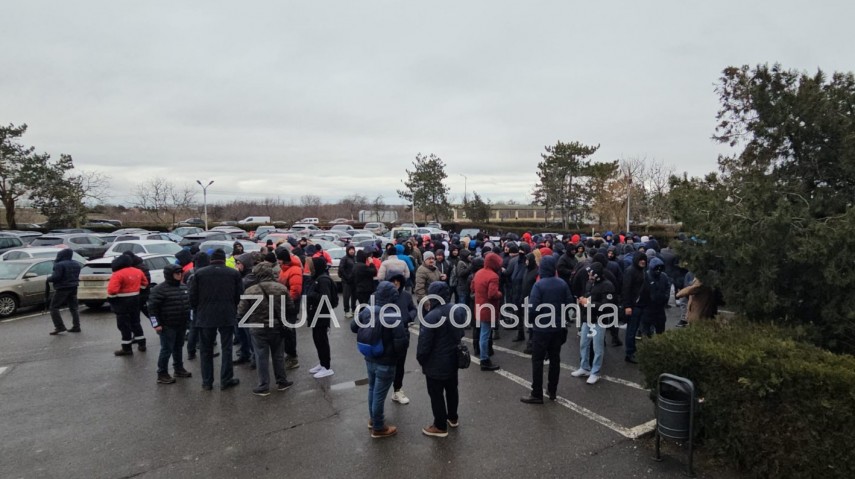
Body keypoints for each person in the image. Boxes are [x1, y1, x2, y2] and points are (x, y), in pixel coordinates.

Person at [351, 281, 409, 439]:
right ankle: (378, 427)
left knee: (372, 389)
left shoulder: (368, 311)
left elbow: (353, 327)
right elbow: (401, 342)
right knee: (379, 394)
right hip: (386, 361)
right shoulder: (392, 315)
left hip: (369, 357)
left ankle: (373, 419)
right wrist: (397, 356)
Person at [189, 249, 244, 391]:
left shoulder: (199, 274)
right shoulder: (233, 273)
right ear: (224, 260)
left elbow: (192, 297)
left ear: (211, 260)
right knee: (227, 348)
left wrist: (199, 309)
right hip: (227, 314)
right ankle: (226, 379)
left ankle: (207, 382)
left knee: (205, 350)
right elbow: (239, 295)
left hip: (205, 316)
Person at [238, 262, 295, 396]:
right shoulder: (281, 288)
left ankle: (263, 386)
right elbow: (291, 307)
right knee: (278, 355)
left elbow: (241, 311)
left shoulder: (250, 290)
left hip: (257, 328)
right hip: (277, 326)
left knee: (261, 356)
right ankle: (282, 381)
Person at [417, 281, 466, 437]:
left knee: (436, 394)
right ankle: (453, 417)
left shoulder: (431, 316)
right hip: (453, 359)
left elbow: (424, 344)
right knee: (452, 389)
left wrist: (422, 360)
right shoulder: (457, 310)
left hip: (435, 362)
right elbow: (461, 333)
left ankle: (440, 425)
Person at [521, 256, 571, 403]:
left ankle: (537, 393)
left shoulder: (539, 285)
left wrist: (530, 321)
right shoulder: (562, 283)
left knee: (537, 361)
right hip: (558, 327)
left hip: (541, 328)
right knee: (555, 359)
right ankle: (552, 390)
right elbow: (569, 303)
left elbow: (533, 307)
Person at [571, 262, 617, 385]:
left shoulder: (608, 286)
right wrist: (583, 300)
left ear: (596, 274)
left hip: (599, 320)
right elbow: (588, 296)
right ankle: (584, 367)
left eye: (590, 273)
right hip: (588, 318)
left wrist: (589, 302)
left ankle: (595, 372)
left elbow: (608, 306)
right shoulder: (590, 283)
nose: (588, 275)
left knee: (597, 347)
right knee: (583, 344)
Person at [147, 264, 192, 384]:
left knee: (178, 347)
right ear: (169, 275)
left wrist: (188, 321)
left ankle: (178, 368)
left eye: (180, 273)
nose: (179, 275)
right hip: (167, 325)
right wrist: (156, 325)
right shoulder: (159, 290)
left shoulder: (183, 287)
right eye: (177, 273)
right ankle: (162, 373)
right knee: (166, 349)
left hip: (181, 324)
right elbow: (152, 310)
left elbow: (188, 304)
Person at [107, 254, 149, 356]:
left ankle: (127, 348)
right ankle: (142, 344)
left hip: (122, 302)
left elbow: (112, 290)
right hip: (135, 300)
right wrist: (137, 290)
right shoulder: (138, 271)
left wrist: (112, 298)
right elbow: (145, 283)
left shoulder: (118, 274)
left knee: (124, 325)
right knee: (136, 322)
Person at [388, 273, 417, 405]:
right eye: (392, 281)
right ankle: (381, 393)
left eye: (397, 281)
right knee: (386, 365)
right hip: (387, 334)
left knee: (400, 365)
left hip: (403, 333)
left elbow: (413, 309)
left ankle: (397, 390)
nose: (395, 283)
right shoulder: (383, 295)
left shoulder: (406, 295)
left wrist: (409, 317)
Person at [306, 257, 338, 379]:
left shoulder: (323, 279)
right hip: (316, 314)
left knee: (321, 340)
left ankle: (326, 367)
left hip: (321, 314)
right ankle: (322, 363)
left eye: (312, 266)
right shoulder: (318, 278)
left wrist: (311, 294)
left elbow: (325, 298)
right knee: (317, 339)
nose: (310, 269)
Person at [473, 252, 502, 371]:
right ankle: (484, 360)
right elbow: (493, 294)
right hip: (488, 309)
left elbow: (472, 287)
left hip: (479, 306)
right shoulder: (493, 276)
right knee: (485, 334)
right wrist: (501, 293)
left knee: (482, 333)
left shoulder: (479, 273)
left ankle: (483, 356)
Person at [276, 249, 303, 370]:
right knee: (286, 331)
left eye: (279, 259)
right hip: (284, 304)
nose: (277, 261)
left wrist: (287, 302)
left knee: (289, 331)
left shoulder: (294, 270)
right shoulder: (284, 269)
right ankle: (290, 354)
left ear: (283, 259)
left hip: (290, 305)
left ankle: (293, 357)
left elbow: (295, 291)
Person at [622, 252, 649, 364]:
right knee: (631, 330)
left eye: (644, 259)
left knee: (636, 329)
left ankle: (633, 351)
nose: (643, 261)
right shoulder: (630, 271)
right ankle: (629, 353)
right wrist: (627, 306)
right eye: (641, 259)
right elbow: (626, 289)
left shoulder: (642, 271)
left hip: (641, 305)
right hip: (633, 306)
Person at [47, 248, 82, 335]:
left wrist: (48, 279)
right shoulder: (76, 264)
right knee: (74, 308)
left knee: (54, 307)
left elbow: (56, 277)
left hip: (62, 288)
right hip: (74, 287)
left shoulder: (59, 265)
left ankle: (59, 326)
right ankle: (76, 326)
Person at [642, 257, 672, 336]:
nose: (658, 270)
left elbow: (668, 286)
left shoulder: (664, 276)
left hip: (660, 309)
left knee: (661, 330)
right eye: (656, 269)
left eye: (660, 268)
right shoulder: (646, 276)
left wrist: (666, 297)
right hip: (648, 310)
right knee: (647, 332)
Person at [339, 245, 357, 319]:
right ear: (347, 250)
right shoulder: (344, 259)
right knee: (346, 296)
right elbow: (341, 269)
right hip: (346, 281)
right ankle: (346, 311)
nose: (352, 251)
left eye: (353, 249)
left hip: (354, 281)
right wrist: (347, 277)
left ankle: (353, 310)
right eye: (350, 250)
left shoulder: (355, 258)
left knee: (354, 296)